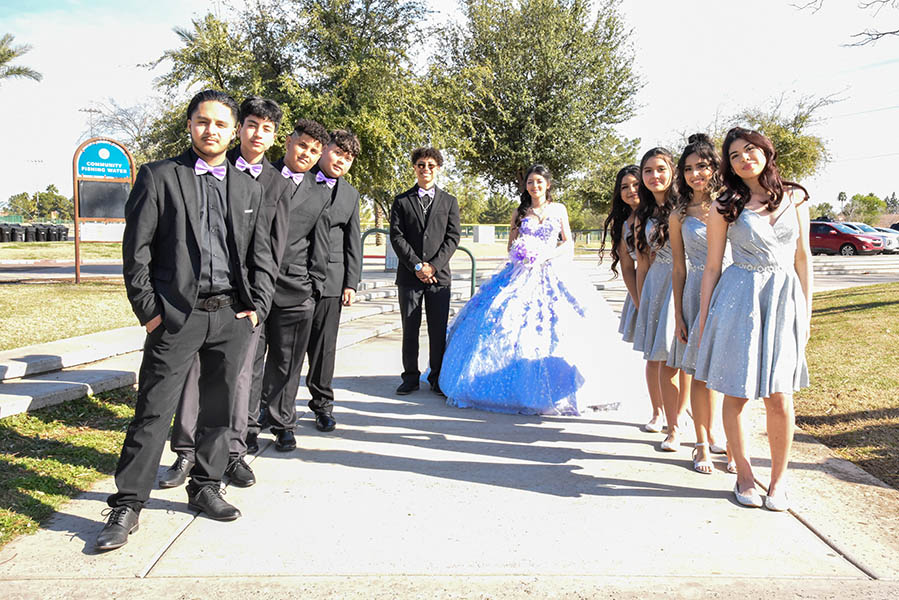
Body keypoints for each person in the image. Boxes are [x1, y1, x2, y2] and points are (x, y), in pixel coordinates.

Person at [96, 90, 278, 551]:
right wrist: (151, 314)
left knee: (219, 411)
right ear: (190, 125)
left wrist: (256, 307)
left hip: (232, 317)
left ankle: (205, 485)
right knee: (153, 412)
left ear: (234, 129)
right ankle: (127, 504)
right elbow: (135, 253)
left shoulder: (249, 187)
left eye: (220, 123)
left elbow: (261, 256)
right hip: (176, 317)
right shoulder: (159, 177)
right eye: (202, 121)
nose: (210, 130)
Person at [162, 96, 291, 489]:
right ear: (241, 128)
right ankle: (184, 453)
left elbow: (274, 245)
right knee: (191, 377)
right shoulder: (217, 164)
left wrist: (258, 304)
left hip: (244, 302)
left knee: (238, 380)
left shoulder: (277, 184)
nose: (257, 133)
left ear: (273, 137)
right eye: (252, 124)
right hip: (195, 299)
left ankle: (232, 453)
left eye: (266, 128)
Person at [438, 164, 637, 415]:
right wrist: (522, 254)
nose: (534, 186)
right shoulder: (519, 212)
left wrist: (545, 255)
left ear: (548, 184)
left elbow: (568, 243)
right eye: (530, 182)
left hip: (552, 268)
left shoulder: (559, 209)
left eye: (539, 182)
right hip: (521, 271)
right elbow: (510, 247)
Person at [694, 127, 812, 510]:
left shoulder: (795, 197)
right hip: (739, 297)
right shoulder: (724, 205)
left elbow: (803, 258)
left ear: (765, 151)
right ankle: (744, 474)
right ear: (729, 165)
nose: (745, 159)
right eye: (734, 156)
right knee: (738, 390)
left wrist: (805, 311)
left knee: (780, 394)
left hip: (783, 299)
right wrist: (705, 318)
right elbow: (712, 267)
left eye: (750, 150)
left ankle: (778, 482)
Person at [256, 119, 333, 452]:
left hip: (296, 290)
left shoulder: (320, 192)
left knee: (287, 364)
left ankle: (283, 422)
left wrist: (312, 288)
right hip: (254, 288)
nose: (307, 154)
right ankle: (245, 425)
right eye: (302, 145)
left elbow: (321, 245)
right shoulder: (260, 176)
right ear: (287, 142)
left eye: (315, 151)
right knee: (251, 362)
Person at [667, 134, 731, 474]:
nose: (695, 175)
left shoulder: (732, 203)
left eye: (702, 166)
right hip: (694, 294)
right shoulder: (678, 214)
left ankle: (732, 444)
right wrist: (678, 312)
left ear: (714, 168)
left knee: (729, 373)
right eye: (689, 169)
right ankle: (701, 443)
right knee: (699, 375)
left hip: (732, 291)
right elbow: (679, 268)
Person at [389, 147, 461, 396]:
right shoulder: (401, 201)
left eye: (431, 165)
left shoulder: (450, 202)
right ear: (415, 168)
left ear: (438, 168)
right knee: (410, 328)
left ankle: (437, 377)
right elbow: (397, 237)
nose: (426, 169)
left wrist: (434, 266)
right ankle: (410, 377)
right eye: (421, 164)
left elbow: (453, 237)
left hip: (439, 278)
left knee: (437, 329)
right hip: (410, 276)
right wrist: (418, 266)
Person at [305, 130, 362, 432]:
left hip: (332, 283)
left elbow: (354, 242)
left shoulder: (351, 196)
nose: (341, 160)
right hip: (295, 279)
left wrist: (350, 283)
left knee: (324, 349)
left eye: (348, 157)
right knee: (285, 349)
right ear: (324, 149)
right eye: (337, 152)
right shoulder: (299, 179)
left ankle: (322, 406)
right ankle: (270, 408)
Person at [632, 148, 685, 450]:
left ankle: (691, 421)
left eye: (661, 169)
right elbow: (642, 262)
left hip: (685, 282)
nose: (655, 176)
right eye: (648, 170)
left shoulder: (687, 206)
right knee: (663, 358)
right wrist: (642, 302)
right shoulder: (642, 214)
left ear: (672, 171)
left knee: (684, 360)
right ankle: (671, 425)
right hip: (657, 286)